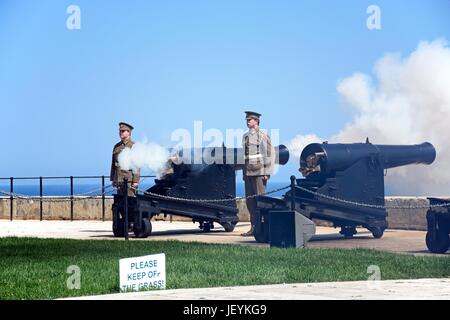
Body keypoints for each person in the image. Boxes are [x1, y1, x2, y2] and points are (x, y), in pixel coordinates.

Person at [241, 111, 274, 236]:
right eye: (247, 120)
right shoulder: (245, 136)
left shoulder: (263, 136)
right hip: (248, 173)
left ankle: (264, 228)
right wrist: (244, 173)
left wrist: (267, 172)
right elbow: (245, 156)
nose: (247, 122)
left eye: (250, 120)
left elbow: (269, 154)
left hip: (260, 172)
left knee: (261, 201)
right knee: (250, 203)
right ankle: (254, 228)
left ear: (256, 121)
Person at [110, 122, 140, 197]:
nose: (120, 133)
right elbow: (113, 164)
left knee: (130, 202)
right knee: (120, 203)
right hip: (119, 180)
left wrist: (136, 181)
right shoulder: (117, 146)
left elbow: (137, 165)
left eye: (123, 131)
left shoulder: (133, 146)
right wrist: (113, 178)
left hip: (129, 180)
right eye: (120, 131)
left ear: (129, 132)